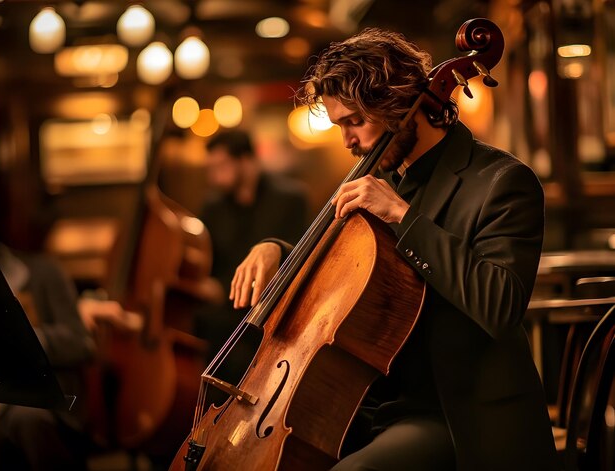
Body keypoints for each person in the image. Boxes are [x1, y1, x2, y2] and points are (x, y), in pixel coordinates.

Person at [228, 28, 560, 470]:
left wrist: (404, 217)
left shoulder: (503, 183)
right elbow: (343, 262)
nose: (347, 142)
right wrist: (275, 249)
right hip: (370, 410)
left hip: (458, 417)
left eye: (354, 121)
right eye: (339, 125)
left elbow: (500, 305)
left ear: (399, 104)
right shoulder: (381, 180)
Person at [194, 129, 309, 383]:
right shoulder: (212, 206)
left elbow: (298, 258)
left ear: (246, 161)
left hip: (272, 311)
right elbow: (209, 264)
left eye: (221, 166)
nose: (214, 177)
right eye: (210, 169)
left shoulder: (290, 198)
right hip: (226, 313)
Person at [0, 206, 96, 471]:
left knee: (27, 420)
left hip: (43, 403)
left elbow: (79, 342)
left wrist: (20, 340)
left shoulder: (44, 272)